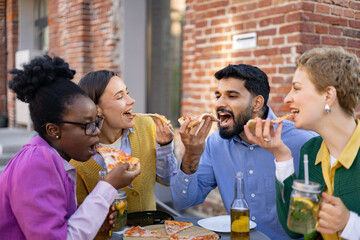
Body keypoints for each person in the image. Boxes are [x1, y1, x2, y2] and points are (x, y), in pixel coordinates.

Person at [0, 55, 141, 239]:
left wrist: (96, 222)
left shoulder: (54, 160)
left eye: (96, 122)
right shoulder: (36, 164)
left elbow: (62, 225)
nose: (96, 131)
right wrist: (108, 185)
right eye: (87, 125)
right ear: (53, 130)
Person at [171, 64, 317, 239]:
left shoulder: (304, 141)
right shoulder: (215, 143)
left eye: (232, 96)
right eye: (218, 96)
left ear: (256, 103)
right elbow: (183, 201)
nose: (219, 104)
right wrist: (191, 155)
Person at [244, 47, 360, 240]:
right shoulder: (311, 151)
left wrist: (349, 224)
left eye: (296, 88)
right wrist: (281, 157)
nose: (287, 98)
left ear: (328, 96)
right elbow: (297, 229)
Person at [70, 70, 176, 214]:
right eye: (120, 97)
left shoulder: (147, 126)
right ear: (97, 109)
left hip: (150, 232)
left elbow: (169, 179)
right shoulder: (77, 158)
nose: (131, 100)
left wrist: (165, 145)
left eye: (128, 93)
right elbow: (80, 215)